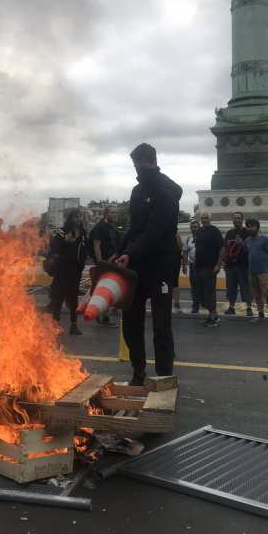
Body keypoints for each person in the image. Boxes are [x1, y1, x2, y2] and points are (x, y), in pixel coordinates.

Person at [115, 143, 182, 384]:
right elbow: (134, 227)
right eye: (134, 165)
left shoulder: (167, 191)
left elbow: (157, 230)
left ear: (150, 161)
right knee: (131, 320)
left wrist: (130, 253)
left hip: (162, 264)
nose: (137, 169)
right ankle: (138, 372)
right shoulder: (136, 191)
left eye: (139, 164)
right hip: (137, 265)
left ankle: (164, 376)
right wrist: (119, 252)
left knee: (161, 324)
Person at [49, 208, 87, 335]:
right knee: (59, 296)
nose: (78, 219)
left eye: (80, 216)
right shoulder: (62, 231)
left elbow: (86, 249)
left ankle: (74, 325)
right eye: (76, 216)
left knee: (73, 298)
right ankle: (55, 324)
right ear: (71, 218)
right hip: (62, 269)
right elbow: (54, 247)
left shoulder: (83, 233)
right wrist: (66, 242)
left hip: (76, 270)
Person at [89, 207, 121, 325]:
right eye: (113, 212)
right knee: (104, 291)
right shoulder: (100, 227)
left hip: (113, 263)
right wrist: (101, 263)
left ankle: (103, 315)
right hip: (105, 264)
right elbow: (96, 246)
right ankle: (103, 316)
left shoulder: (113, 229)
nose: (115, 215)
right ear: (106, 214)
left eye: (116, 213)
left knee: (109, 290)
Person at [192, 211, 223, 327]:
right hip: (198, 267)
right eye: (202, 218)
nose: (204, 220)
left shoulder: (214, 231)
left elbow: (221, 248)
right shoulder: (199, 231)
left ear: (210, 219)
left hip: (209, 267)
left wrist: (218, 264)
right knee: (199, 292)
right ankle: (212, 314)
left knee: (209, 292)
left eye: (206, 218)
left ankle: (213, 317)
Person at [245, 219, 268, 324]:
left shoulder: (265, 239)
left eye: (252, 226)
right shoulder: (247, 241)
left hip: (264, 271)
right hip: (252, 271)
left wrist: (265, 263)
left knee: (267, 294)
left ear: (257, 227)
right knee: (257, 295)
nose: (250, 228)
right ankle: (260, 315)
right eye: (248, 226)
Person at [221, 212, 252, 317]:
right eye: (235, 218)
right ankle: (231, 307)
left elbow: (251, 248)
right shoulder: (229, 233)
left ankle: (249, 307)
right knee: (230, 287)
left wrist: (242, 244)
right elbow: (225, 247)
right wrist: (224, 261)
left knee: (246, 287)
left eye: (238, 218)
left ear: (242, 220)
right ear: (232, 220)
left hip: (243, 265)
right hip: (230, 265)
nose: (237, 220)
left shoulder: (247, 232)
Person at [182, 220, 199, 314]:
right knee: (194, 287)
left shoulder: (203, 237)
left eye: (196, 227)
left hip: (203, 266)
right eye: (192, 227)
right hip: (193, 266)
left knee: (204, 286)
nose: (194, 228)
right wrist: (184, 266)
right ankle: (195, 305)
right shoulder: (189, 238)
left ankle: (206, 304)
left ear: (199, 227)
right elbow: (185, 252)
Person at [171, 233, 184, 314]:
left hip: (174, 262)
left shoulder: (176, 234)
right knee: (164, 284)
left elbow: (180, 247)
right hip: (164, 263)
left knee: (174, 284)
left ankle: (176, 305)